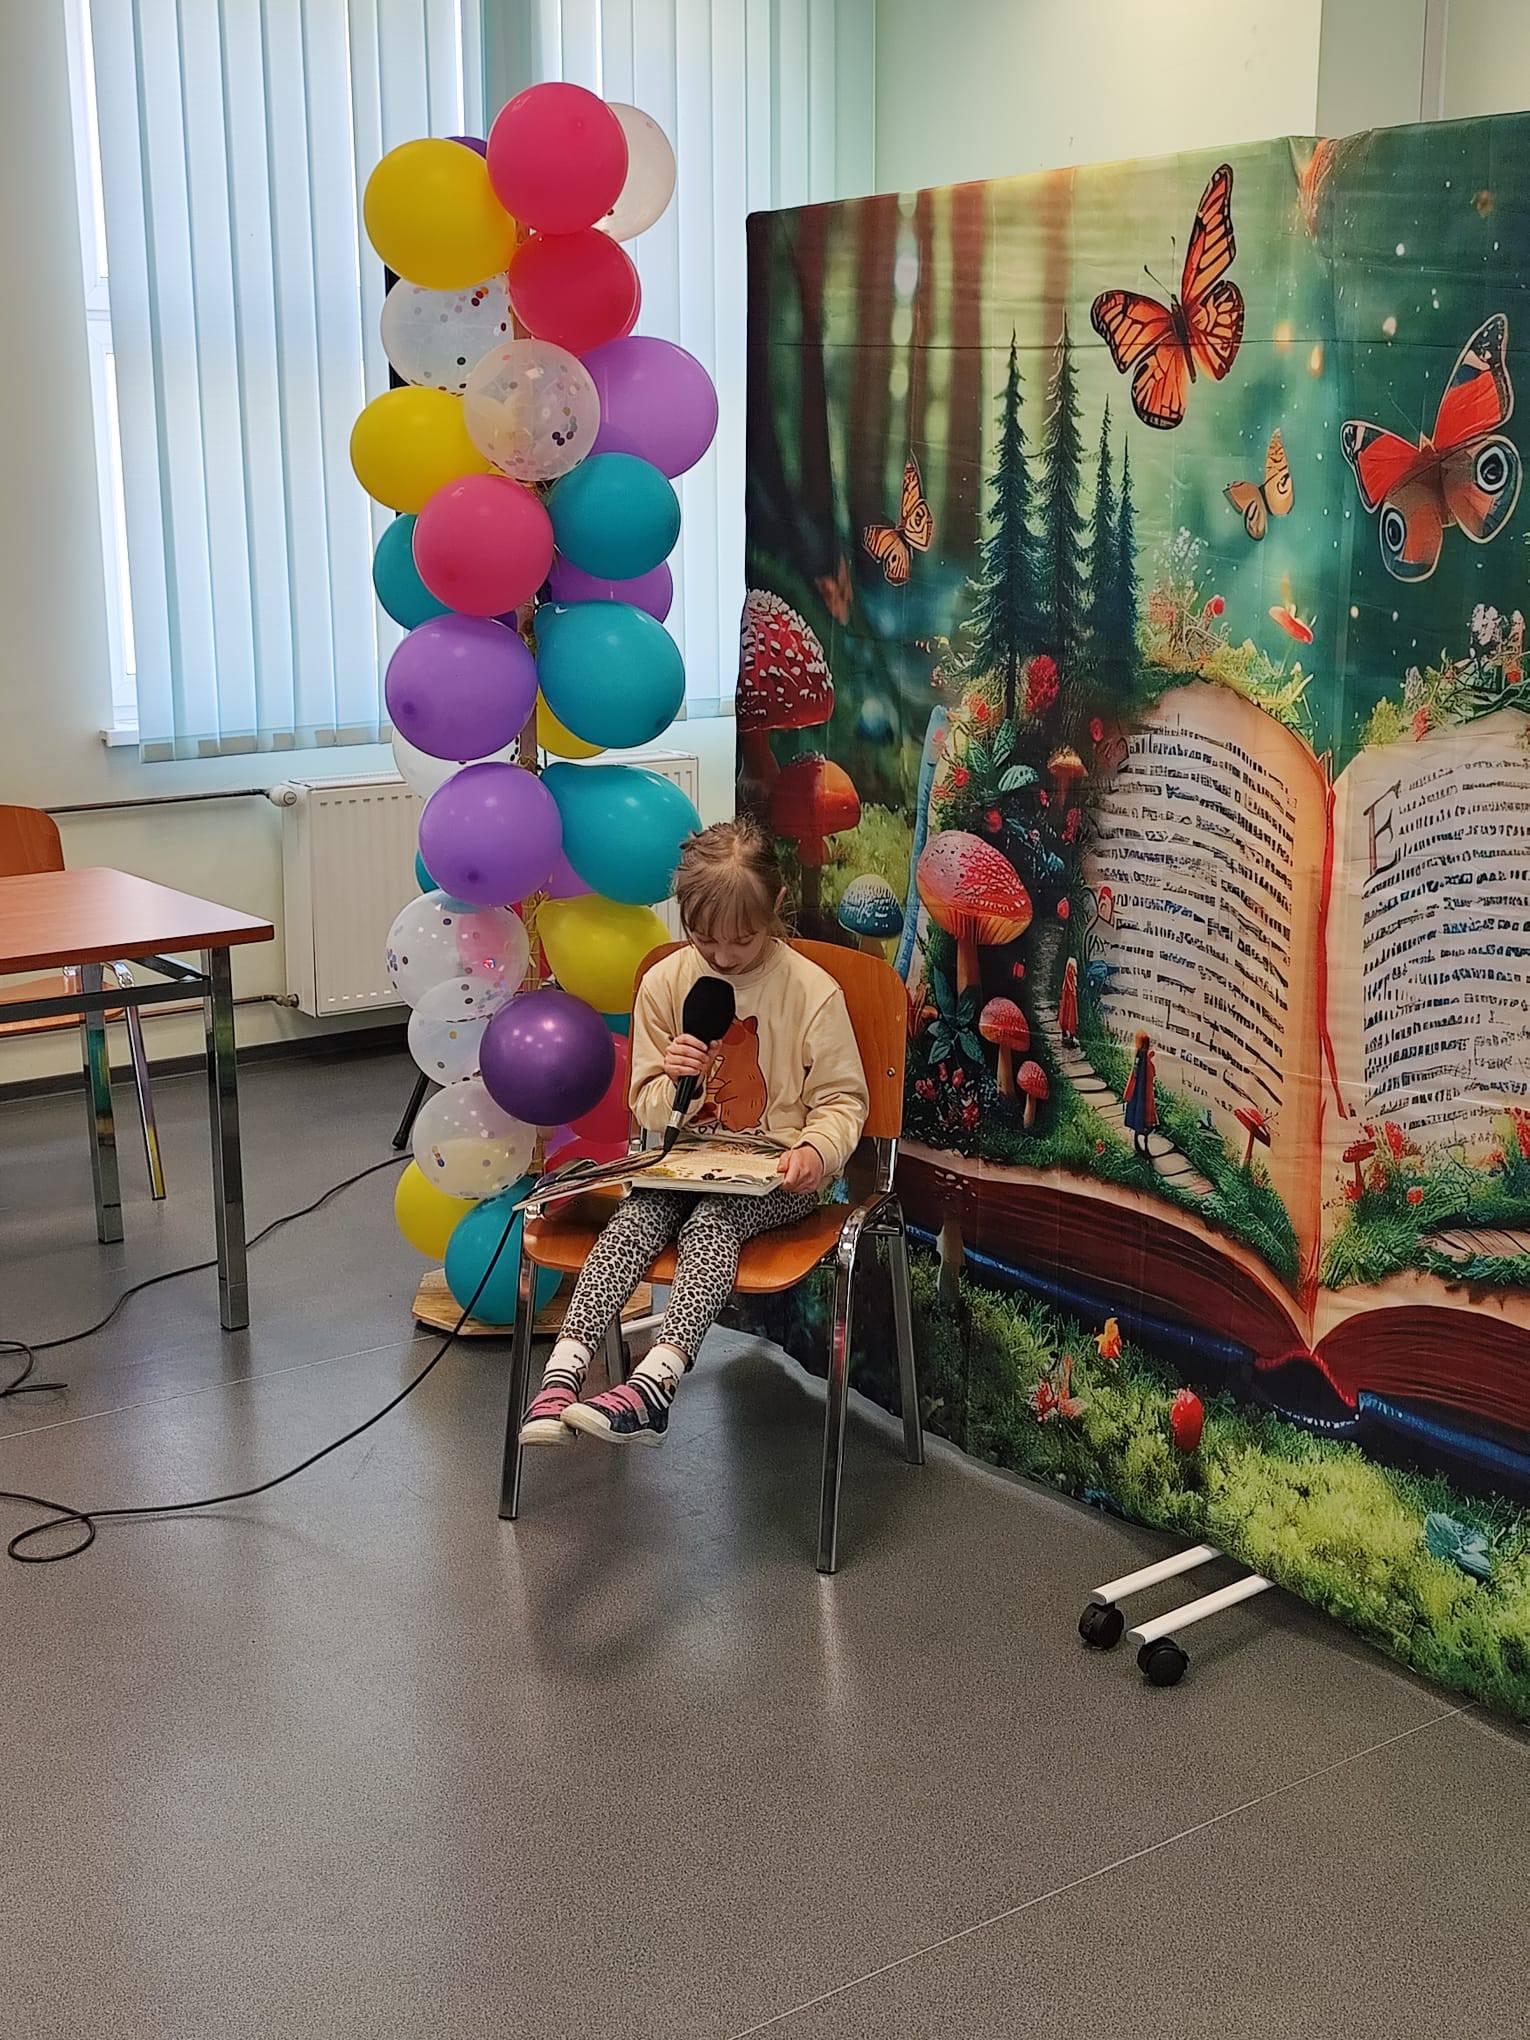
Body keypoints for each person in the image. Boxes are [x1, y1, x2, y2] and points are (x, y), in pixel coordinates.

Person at [520, 818, 870, 1447]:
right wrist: (676, 1083)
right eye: (704, 938)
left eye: (742, 939)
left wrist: (817, 1150)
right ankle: (561, 1375)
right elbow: (647, 1107)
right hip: (681, 1162)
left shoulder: (811, 992)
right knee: (632, 1222)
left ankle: (656, 1383)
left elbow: (842, 1100)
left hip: (776, 1177)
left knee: (712, 1225)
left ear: (776, 906)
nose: (723, 957)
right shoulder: (666, 982)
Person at [1122, 1028, 1157, 1157]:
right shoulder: (1145, 1059)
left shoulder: (1140, 1058)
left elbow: (1134, 1076)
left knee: (1139, 1119)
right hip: (1144, 1094)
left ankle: (1139, 1143)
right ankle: (1143, 1146)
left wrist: (1127, 1093)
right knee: (1144, 1120)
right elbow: (1150, 1074)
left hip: (1139, 1094)